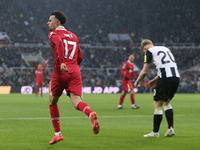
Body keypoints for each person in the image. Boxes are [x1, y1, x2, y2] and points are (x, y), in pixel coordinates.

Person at [47, 10, 100, 145]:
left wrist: (63, 62)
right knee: (77, 102)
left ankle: (58, 133)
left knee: (52, 102)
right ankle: (90, 114)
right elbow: (80, 57)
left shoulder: (53, 34)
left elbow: (59, 43)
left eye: (50, 20)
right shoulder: (74, 36)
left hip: (60, 71)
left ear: (57, 22)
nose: (48, 23)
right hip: (75, 71)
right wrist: (73, 68)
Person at [134, 39, 180, 137]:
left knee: (157, 103)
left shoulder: (149, 51)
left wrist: (137, 81)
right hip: (176, 77)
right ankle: (170, 128)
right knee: (166, 102)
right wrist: (155, 80)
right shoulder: (165, 48)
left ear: (145, 48)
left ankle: (155, 132)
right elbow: (166, 66)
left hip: (165, 78)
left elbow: (144, 71)